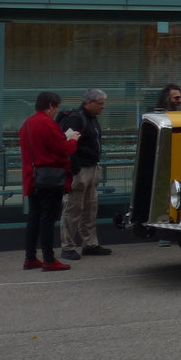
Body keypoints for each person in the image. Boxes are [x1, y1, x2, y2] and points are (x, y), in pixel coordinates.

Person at [19, 91, 80, 271]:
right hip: (49, 178)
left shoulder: (27, 124)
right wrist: (74, 140)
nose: (56, 111)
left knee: (34, 218)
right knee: (48, 219)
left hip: (32, 177)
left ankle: (30, 258)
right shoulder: (47, 124)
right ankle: (49, 259)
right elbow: (63, 149)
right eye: (56, 107)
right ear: (51, 106)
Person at [59, 88, 113, 259]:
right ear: (88, 103)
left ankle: (90, 243)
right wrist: (74, 169)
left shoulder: (91, 118)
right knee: (74, 208)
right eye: (100, 104)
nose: (103, 107)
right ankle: (68, 246)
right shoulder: (76, 118)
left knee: (90, 207)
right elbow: (67, 144)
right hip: (81, 169)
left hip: (91, 167)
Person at [151, 84, 181, 246]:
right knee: (164, 199)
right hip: (163, 165)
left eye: (180, 97)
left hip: (178, 164)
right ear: (167, 99)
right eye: (176, 98)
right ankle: (165, 232)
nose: (179, 101)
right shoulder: (158, 118)